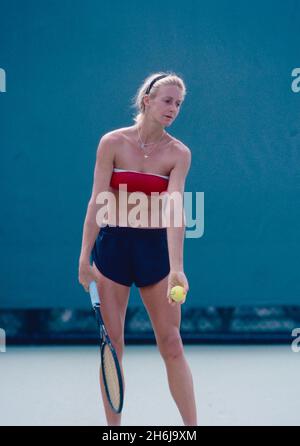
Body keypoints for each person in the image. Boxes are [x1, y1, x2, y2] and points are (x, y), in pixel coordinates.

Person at [78, 72, 198, 426]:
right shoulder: (112, 143)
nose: (173, 108)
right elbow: (98, 201)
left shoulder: (179, 153)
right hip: (112, 250)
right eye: (167, 100)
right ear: (147, 99)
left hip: (155, 253)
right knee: (112, 349)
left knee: (172, 345)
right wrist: (84, 256)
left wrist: (177, 267)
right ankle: (115, 432)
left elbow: (175, 210)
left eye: (178, 103)